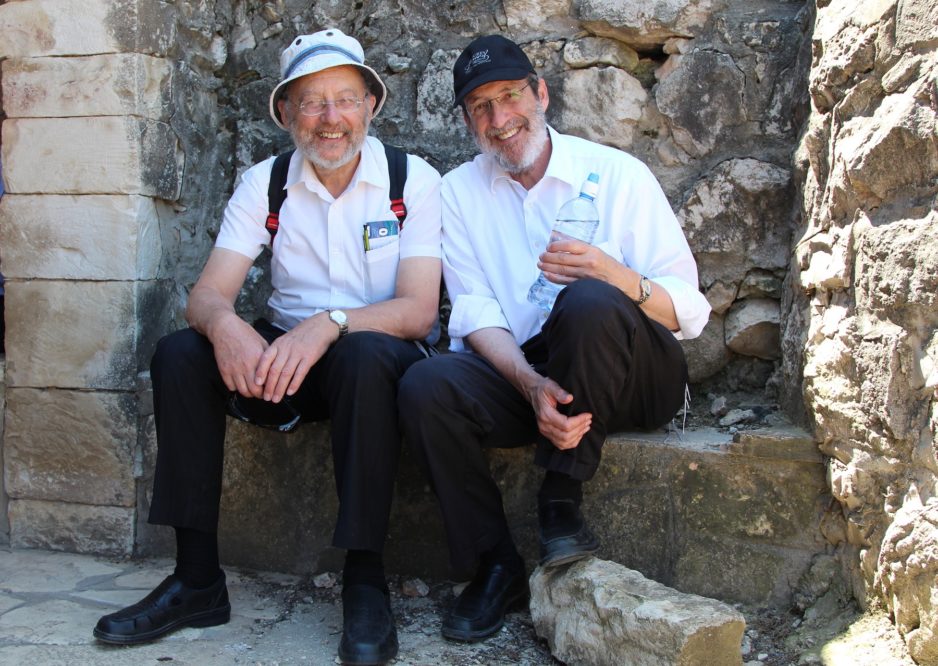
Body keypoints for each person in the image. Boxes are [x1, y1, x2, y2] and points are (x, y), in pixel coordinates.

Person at [93, 28, 442, 666]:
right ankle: (197, 579)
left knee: (363, 355)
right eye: (311, 102)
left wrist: (331, 323)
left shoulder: (410, 179)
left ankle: (365, 581)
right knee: (179, 354)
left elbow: (418, 312)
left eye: (345, 99)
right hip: (284, 366)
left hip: (373, 358)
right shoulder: (267, 182)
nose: (330, 118)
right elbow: (208, 295)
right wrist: (226, 327)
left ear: (370, 105)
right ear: (286, 113)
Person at [398, 34, 711, 642]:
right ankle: (495, 565)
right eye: (481, 107)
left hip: (630, 372)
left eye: (510, 96)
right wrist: (528, 383)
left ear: (540, 94)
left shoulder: (617, 174)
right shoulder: (456, 193)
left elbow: (687, 311)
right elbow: (475, 309)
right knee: (425, 383)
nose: (500, 119)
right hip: (530, 370)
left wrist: (613, 274)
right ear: (467, 121)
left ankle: (560, 498)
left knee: (588, 299)